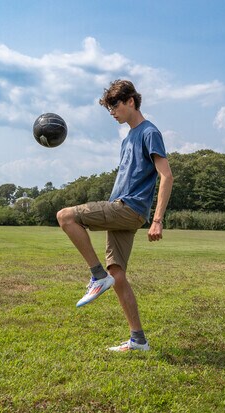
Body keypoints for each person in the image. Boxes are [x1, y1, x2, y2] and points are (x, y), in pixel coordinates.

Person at [56, 79, 173, 352]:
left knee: (65, 216)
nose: (112, 112)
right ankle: (138, 340)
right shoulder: (128, 137)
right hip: (122, 208)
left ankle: (97, 276)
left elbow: (166, 175)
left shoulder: (149, 132)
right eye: (109, 108)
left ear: (131, 101)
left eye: (115, 105)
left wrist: (157, 220)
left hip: (128, 208)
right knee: (117, 274)